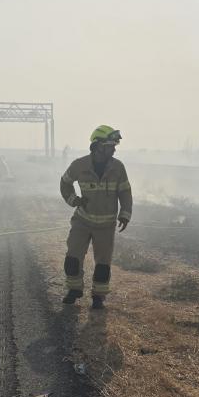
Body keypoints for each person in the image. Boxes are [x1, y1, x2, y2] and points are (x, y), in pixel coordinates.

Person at [60, 125, 132, 309]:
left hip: (106, 227)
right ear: (98, 146)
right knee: (73, 258)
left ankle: (98, 297)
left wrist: (125, 214)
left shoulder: (118, 167)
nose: (114, 149)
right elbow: (65, 182)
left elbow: (125, 192)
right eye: (110, 145)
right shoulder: (79, 165)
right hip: (82, 222)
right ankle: (74, 290)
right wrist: (73, 200)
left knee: (103, 265)